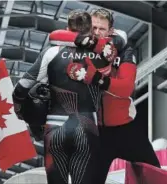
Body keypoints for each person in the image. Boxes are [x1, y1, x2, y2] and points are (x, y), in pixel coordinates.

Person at [55, 8, 161, 184]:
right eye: (93, 28)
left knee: (156, 177)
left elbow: (125, 88)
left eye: (101, 29)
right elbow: (56, 35)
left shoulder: (125, 51)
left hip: (126, 130)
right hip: (96, 134)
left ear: (110, 31)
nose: (97, 33)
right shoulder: (82, 48)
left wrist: (94, 77)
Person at [12, 10, 117, 184]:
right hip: (87, 128)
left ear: (67, 28)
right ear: (90, 30)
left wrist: (22, 111)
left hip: (55, 129)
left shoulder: (51, 52)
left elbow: (21, 88)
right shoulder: (102, 57)